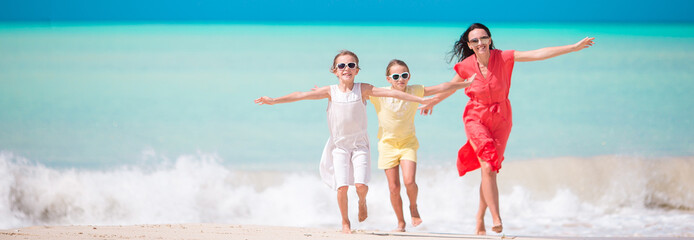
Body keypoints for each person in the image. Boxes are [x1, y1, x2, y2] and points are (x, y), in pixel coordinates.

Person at [419, 23, 594, 235]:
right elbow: (450, 86)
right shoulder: (466, 66)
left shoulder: (503, 57)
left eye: (483, 38)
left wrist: (572, 48)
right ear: (469, 45)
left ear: (490, 39)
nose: (480, 43)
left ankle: (479, 217)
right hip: (476, 117)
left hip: (502, 118)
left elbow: (537, 54)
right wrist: (432, 102)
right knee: (486, 166)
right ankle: (496, 217)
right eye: (474, 40)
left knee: (490, 169)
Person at [255, 50, 436, 234]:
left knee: (361, 186)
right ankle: (345, 223)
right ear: (335, 71)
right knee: (341, 187)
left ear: (357, 70)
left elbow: (395, 94)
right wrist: (275, 100)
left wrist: (421, 99)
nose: (346, 68)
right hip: (339, 146)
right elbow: (300, 95)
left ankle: (362, 202)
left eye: (351, 65)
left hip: (360, 146)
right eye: (342, 65)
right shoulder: (330, 91)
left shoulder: (363, 89)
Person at [369, 59, 475, 232]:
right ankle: (400, 222)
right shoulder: (379, 94)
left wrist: (466, 83)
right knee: (394, 187)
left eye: (404, 75)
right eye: (395, 76)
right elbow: (359, 92)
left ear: (409, 76)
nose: (400, 79)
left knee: (409, 181)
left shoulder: (415, 90)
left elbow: (441, 87)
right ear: (388, 79)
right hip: (387, 145)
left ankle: (413, 207)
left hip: (408, 143)